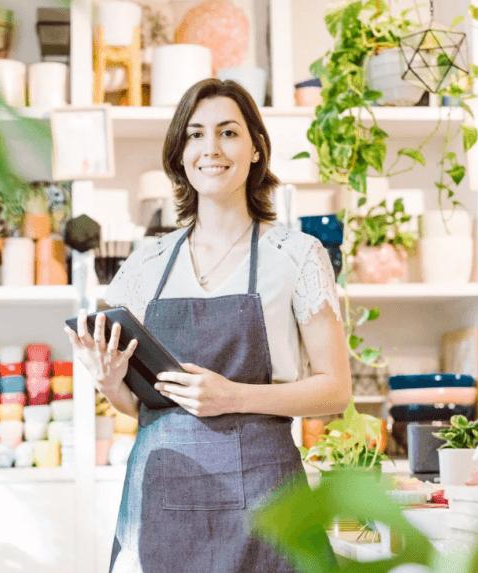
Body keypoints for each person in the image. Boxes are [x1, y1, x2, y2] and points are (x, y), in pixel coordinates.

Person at [64, 78, 352, 572]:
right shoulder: (144, 267)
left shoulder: (297, 255)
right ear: (179, 154)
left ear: (257, 149)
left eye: (228, 133)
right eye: (195, 135)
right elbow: (141, 407)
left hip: (268, 505)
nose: (210, 149)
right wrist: (111, 384)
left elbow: (335, 390)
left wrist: (235, 397)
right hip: (160, 504)